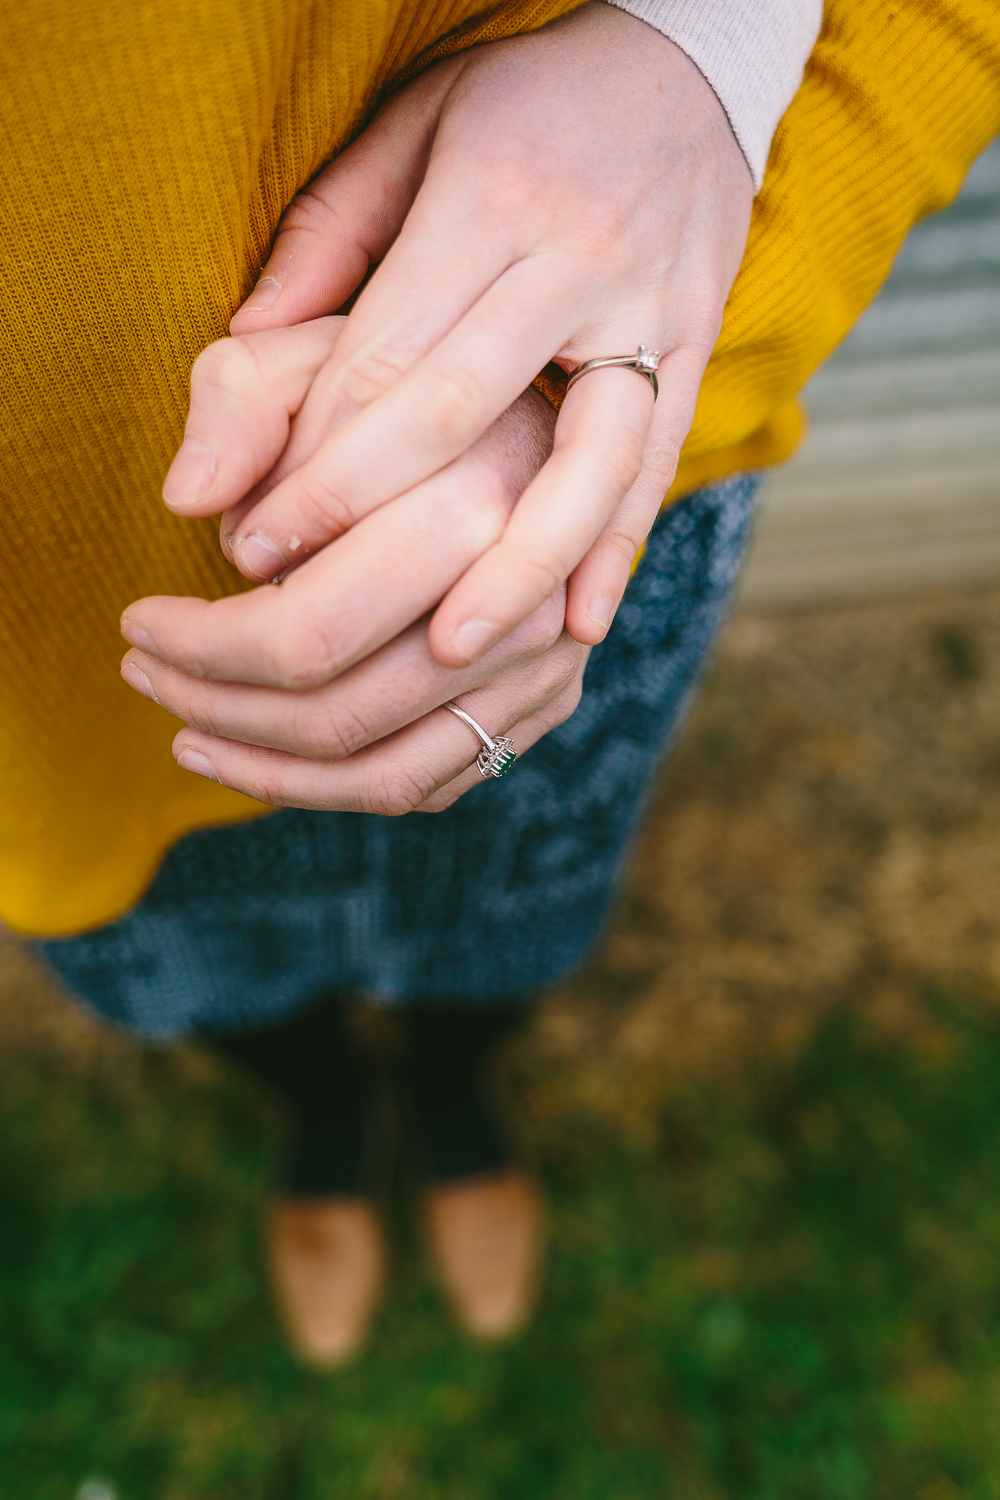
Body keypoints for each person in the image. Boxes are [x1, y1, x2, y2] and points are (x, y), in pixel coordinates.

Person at [2, 0, 998, 1366]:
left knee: (510, 914)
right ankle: (325, 1123)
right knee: (200, 975)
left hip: (556, 546)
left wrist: (696, 119)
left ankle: (455, 1094)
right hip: (44, 684)